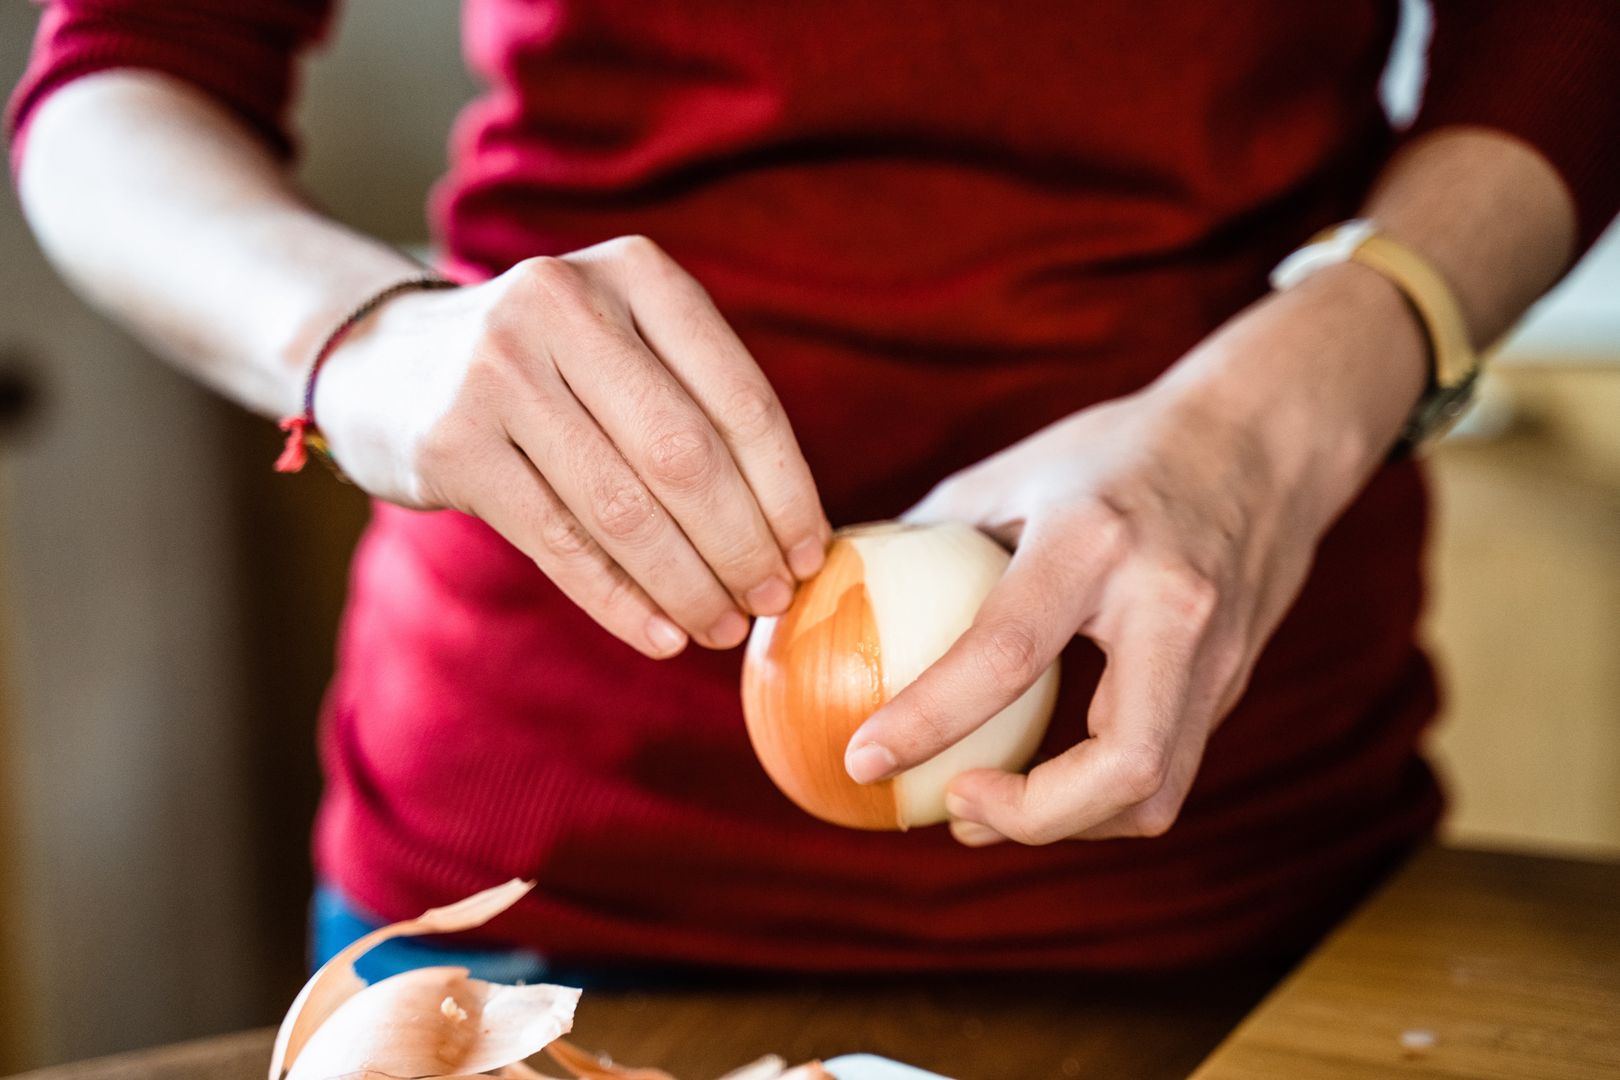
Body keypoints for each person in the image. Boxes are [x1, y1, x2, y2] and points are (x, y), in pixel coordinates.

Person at [10, 2, 1619, 983]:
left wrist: (1309, 385)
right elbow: (117, 75)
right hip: (531, 875)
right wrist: (362, 345)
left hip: (1233, 846)